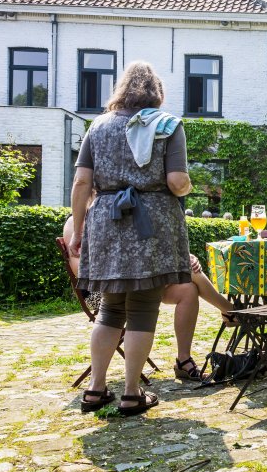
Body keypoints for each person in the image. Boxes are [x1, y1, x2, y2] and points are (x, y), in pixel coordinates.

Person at [69, 60, 190, 416]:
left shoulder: (98, 125)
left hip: (106, 221)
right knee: (143, 308)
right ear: (156, 93)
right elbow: (176, 182)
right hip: (150, 222)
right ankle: (132, 393)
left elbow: (81, 182)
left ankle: (96, 389)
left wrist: (79, 230)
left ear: (121, 90)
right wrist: (186, 185)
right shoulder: (167, 125)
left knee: (110, 308)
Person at [63, 214, 235, 381]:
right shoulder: (75, 221)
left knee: (187, 289)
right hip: (101, 291)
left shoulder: (116, 213)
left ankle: (183, 360)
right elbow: (80, 270)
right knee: (187, 270)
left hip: (136, 281)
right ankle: (231, 311)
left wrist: (180, 258)